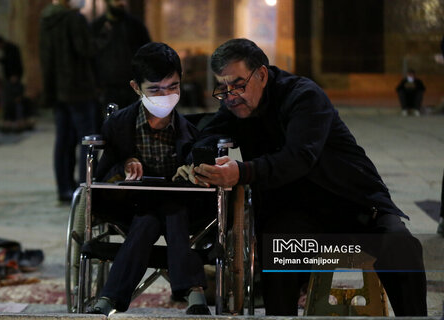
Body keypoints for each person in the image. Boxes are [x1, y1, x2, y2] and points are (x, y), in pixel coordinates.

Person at [176, 38, 427, 316]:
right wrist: (199, 161)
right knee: (278, 246)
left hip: (352, 206)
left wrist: (241, 172)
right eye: (222, 87)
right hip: (295, 215)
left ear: (261, 74)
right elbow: (205, 132)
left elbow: (299, 158)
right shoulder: (235, 105)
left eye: (237, 84)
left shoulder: (303, 96)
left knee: (402, 249)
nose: (230, 95)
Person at [86, 42, 210, 316]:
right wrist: (125, 164)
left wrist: (192, 170)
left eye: (173, 87)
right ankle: (194, 292)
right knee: (149, 218)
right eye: (155, 89)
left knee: (170, 210)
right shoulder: (118, 125)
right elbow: (101, 176)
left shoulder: (190, 131)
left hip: (179, 205)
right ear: (136, 87)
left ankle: (109, 298)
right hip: (132, 205)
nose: (165, 96)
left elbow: (203, 168)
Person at [39, 0, 97, 203]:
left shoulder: (46, 20)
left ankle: (64, 188)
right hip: (77, 88)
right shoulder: (73, 19)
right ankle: (84, 188)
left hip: (57, 89)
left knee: (63, 141)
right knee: (86, 140)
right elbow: (86, 49)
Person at [91, 0, 150, 120]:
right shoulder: (97, 26)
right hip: (107, 86)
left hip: (131, 84)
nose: (121, 3)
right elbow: (91, 55)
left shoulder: (135, 25)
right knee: (110, 123)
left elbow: (146, 53)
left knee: (131, 121)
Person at [0, 35, 24, 132]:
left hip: (13, 77)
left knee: (15, 100)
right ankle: (10, 121)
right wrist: (1, 60)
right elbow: (8, 62)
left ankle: (17, 122)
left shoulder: (12, 49)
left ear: (0, 43)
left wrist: (15, 75)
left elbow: (15, 63)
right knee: (8, 100)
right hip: (10, 77)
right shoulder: (7, 50)